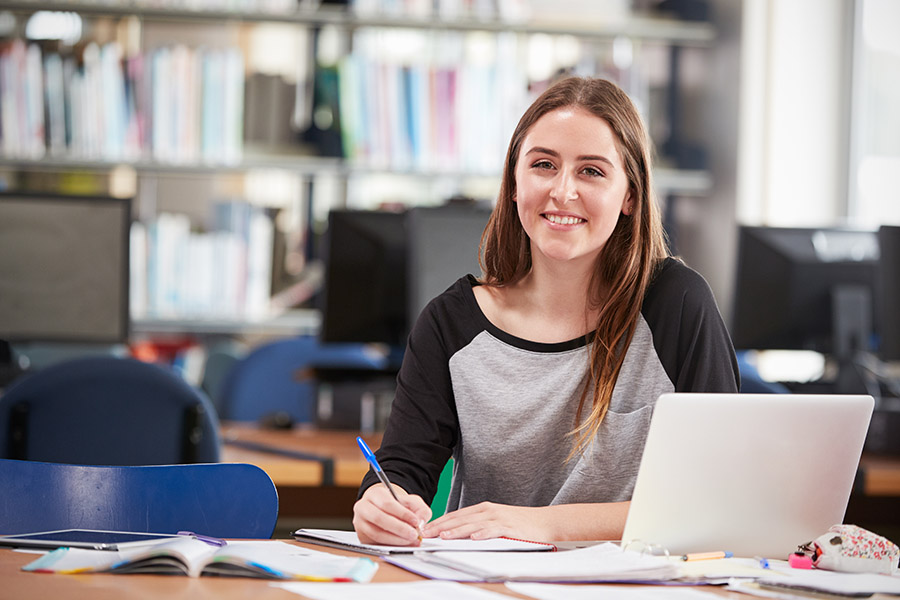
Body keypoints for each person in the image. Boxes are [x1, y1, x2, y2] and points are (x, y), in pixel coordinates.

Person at [352, 76, 739, 545]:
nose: (562, 191)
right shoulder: (449, 324)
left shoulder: (676, 304)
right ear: (515, 184)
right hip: (487, 584)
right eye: (543, 165)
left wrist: (538, 525)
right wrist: (381, 504)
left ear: (630, 196)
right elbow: (401, 471)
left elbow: (718, 498)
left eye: (591, 171)